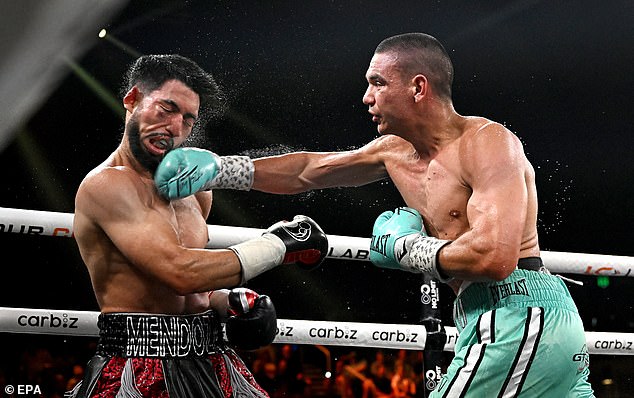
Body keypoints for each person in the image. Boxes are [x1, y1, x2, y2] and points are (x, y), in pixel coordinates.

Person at [155, 33, 594, 397]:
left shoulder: (487, 143)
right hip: (490, 316)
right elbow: (311, 170)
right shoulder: (394, 152)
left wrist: (407, 248)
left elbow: (494, 259)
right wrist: (224, 168)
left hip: (519, 312)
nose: (367, 97)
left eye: (378, 83)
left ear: (418, 88)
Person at [71, 54, 328, 397]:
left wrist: (229, 301)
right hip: (139, 361)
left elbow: (197, 288)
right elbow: (179, 273)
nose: (175, 127)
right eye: (166, 108)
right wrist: (279, 244)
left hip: (213, 356)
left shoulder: (195, 191)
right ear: (132, 100)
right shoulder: (106, 185)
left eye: (188, 119)